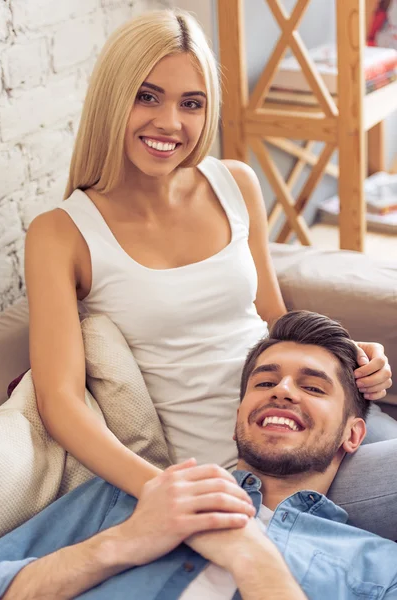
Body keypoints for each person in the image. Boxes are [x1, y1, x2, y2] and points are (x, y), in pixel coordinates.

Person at [24, 8, 395, 536]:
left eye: (191, 103)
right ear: (112, 97)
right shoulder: (61, 234)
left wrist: (347, 357)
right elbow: (58, 401)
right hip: (244, 471)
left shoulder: (234, 183)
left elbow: (273, 319)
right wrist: (158, 488)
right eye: (147, 96)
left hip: (314, 422)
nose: (170, 123)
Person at [0, 310, 397, 600]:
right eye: (265, 381)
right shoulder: (124, 497)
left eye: (313, 388)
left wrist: (255, 561)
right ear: (238, 418)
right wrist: (121, 543)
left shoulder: (379, 568)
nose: (284, 391)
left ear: (353, 435)